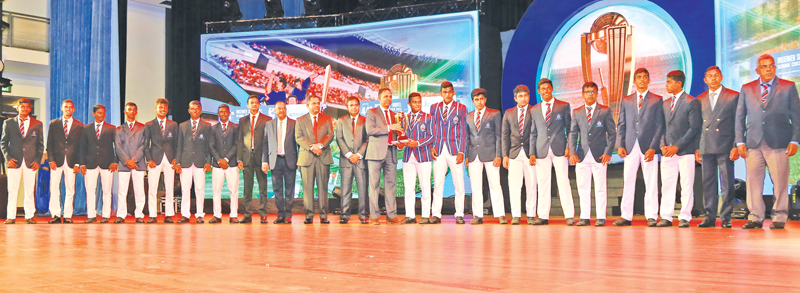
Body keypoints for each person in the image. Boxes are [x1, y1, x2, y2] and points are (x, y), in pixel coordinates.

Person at [735, 54, 800, 229]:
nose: (768, 69)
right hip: (753, 143)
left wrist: (795, 140)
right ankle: (755, 216)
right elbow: (740, 117)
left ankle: (779, 217)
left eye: (771, 65)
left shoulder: (788, 87)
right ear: (757, 70)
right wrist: (740, 142)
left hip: (779, 142)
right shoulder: (747, 88)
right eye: (764, 66)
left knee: (780, 182)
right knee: (754, 182)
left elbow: (797, 116)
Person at [614, 68, 664, 227]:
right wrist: (620, 145)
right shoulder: (627, 100)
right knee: (628, 180)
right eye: (639, 77)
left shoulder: (657, 99)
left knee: (651, 181)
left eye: (645, 77)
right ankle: (626, 216)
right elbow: (621, 124)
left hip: (648, 146)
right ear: (634, 81)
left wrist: (653, 147)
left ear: (649, 80)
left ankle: (651, 215)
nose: (642, 79)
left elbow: (659, 126)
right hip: (629, 145)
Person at [695, 66, 740, 228]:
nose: (713, 79)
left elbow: (739, 123)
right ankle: (709, 216)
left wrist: (736, 145)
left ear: (721, 77)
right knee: (708, 183)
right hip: (706, 145)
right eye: (709, 76)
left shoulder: (733, 96)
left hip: (726, 145)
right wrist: (697, 147)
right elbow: (697, 126)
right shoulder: (700, 99)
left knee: (727, 183)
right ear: (705, 80)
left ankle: (726, 217)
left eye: (716, 76)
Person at [657, 70, 701, 228]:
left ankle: (685, 216)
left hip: (685, 150)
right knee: (667, 184)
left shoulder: (691, 101)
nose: (666, 85)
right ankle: (666, 216)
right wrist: (662, 145)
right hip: (667, 151)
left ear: (679, 83)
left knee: (686, 183)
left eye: (669, 82)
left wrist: (677, 146)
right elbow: (661, 126)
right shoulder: (665, 103)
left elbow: (694, 128)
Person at [568, 82, 616, 226]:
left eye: (593, 92)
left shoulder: (605, 110)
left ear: (597, 94)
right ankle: (585, 217)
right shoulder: (576, 111)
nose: (590, 94)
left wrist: (608, 152)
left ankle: (601, 217)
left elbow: (612, 134)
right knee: (583, 187)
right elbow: (573, 133)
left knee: (600, 187)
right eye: (587, 92)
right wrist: (571, 152)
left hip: (600, 155)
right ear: (582, 94)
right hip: (581, 155)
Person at [529, 78, 575, 225]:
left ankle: (569, 216)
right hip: (541, 150)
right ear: (539, 91)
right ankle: (543, 216)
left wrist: (570, 146)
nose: (546, 91)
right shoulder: (534, 109)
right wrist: (531, 153)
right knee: (543, 183)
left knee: (563, 182)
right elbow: (533, 133)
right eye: (543, 89)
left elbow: (570, 129)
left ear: (552, 89)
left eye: (548, 88)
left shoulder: (563, 106)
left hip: (560, 149)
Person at [429, 81, 468, 224]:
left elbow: (464, 131)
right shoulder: (434, 108)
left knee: (459, 184)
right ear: (441, 93)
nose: (447, 94)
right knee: (438, 183)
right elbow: (432, 128)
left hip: (454, 150)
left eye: (449, 92)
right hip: (439, 149)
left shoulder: (461, 108)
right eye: (444, 92)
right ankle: (436, 214)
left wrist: (461, 151)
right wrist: (432, 146)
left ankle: (459, 214)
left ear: (453, 93)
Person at [365, 88, 405, 225]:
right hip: (375, 153)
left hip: (391, 152)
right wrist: (389, 127)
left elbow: (396, 134)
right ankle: (374, 216)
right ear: (379, 98)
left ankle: (391, 216)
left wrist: (400, 142)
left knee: (391, 185)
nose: (388, 98)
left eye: (390, 96)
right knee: (374, 185)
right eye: (385, 96)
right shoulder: (372, 112)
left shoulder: (395, 115)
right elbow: (370, 131)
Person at [2, 98, 44, 224]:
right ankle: (11, 216)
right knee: (12, 189)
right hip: (14, 161)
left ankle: (29, 216)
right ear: (17, 108)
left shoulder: (37, 123)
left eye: (28, 107)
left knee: (29, 190)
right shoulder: (8, 123)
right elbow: (3, 143)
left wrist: (38, 160)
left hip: (31, 162)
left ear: (30, 109)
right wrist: (8, 159)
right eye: (23, 106)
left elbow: (40, 145)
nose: (25, 109)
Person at [465, 88, 503, 225]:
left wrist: (499, 155)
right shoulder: (468, 116)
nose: (479, 102)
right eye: (476, 99)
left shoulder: (494, 114)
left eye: (481, 99)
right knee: (475, 186)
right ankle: (477, 215)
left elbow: (499, 136)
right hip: (474, 154)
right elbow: (467, 138)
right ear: (473, 101)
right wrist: (466, 156)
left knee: (495, 185)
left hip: (491, 154)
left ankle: (500, 214)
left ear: (485, 100)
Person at [295, 95, 334, 224]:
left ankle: (323, 216)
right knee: (308, 188)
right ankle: (309, 215)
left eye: (318, 103)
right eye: (314, 103)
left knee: (323, 188)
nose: (317, 106)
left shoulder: (327, 119)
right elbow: (299, 137)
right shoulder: (300, 120)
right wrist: (313, 147)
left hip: (323, 157)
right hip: (307, 158)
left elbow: (330, 135)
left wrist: (320, 145)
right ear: (308, 105)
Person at [501, 85, 537, 225]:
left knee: (532, 185)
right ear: (515, 98)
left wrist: (534, 152)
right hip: (514, 153)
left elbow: (537, 134)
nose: (523, 98)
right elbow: (504, 135)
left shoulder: (535, 111)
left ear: (529, 97)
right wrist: (504, 155)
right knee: (514, 186)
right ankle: (516, 215)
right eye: (520, 96)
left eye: (525, 96)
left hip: (531, 154)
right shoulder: (508, 113)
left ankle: (531, 215)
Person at [175, 101, 214, 224]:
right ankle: (185, 214)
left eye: (197, 109)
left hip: (200, 162)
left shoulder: (207, 126)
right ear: (189, 110)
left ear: (200, 111)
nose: (195, 111)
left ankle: (199, 215)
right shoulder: (182, 126)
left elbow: (209, 146)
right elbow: (179, 145)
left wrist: (208, 161)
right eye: (192, 109)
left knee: (199, 189)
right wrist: (178, 162)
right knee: (185, 189)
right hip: (185, 161)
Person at [46, 99, 83, 224]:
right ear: (61, 108)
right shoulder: (53, 123)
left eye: (70, 107)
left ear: (73, 109)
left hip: (72, 162)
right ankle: (55, 215)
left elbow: (80, 147)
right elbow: (49, 143)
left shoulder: (79, 126)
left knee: (70, 188)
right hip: (56, 161)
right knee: (54, 187)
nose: (68, 109)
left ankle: (67, 215)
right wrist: (50, 159)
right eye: (65, 107)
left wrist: (78, 163)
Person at [79, 105, 118, 223]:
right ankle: (91, 215)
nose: (102, 115)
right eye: (99, 113)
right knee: (90, 189)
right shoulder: (86, 128)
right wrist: (82, 164)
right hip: (90, 163)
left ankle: (106, 215)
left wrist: (115, 161)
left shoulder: (111, 128)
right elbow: (82, 147)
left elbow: (117, 146)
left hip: (107, 163)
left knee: (107, 190)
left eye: (103, 113)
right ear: (93, 114)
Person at [401, 93, 435, 224]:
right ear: (409, 104)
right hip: (408, 156)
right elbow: (402, 136)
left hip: (423, 156)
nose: (417, 104)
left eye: (419, 102)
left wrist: (418, 143)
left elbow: (432, 136)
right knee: (409, 187)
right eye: (414, 102)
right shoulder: (404, 119)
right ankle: (410, 215)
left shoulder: (428, 117)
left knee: (425, 186)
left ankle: (425, 215)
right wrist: (401, 143)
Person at [237, 95, 271, 223]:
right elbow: (240, 140)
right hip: (246, 158)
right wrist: (239, 158)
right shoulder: (243, 120)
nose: (254, 105)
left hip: (261, 158)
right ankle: (247, 214)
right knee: (247, 187)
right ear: (247, 105)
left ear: (259, 105)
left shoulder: (267, 119)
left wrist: (265, 160)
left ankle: (263, 213)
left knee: (263, 187)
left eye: (256, 103)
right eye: (252, 103)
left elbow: (268, 141)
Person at [144, 98, 179, 223]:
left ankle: (169, 214)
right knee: (152, 188)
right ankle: (152, 215)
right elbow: (145, 145)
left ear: (167, 109)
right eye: (160, 108)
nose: (162, 110)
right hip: (154, 159)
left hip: (170, 159)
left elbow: (177, 143)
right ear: (155, 109)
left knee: (169, 188)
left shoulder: (173, 124)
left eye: (164, 108)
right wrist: (149, 160)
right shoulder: (149, 125)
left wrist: (176, 158)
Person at [262, 101, 298, 224]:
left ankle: (288, 214)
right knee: (277, 189)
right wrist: (264, 161)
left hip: (290, 160)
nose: (281, 110)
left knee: (289, 189)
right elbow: (265, 143)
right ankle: (280, 214)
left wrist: (300, 160)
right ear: (275, 110)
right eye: (279, 109)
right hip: (274, 160)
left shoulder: (294, 123)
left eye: (283, 108)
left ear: (286, 109)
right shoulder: (269, 124)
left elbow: (298, 143)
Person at [335, 97, 369, 224]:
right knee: (345, 190)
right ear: (347, 107)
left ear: (359, 106)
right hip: (346, 160)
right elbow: (339, 138)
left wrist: (359, 154)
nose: (354, 107)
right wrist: (349, 154)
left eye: (356, 105)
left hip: (361, 161)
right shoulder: (341, 120)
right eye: (351, 105)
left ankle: (364, 215)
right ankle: (344, 215)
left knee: (363, 189)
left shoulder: (366, 121)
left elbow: (368, 139)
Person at [114, 102, 147, 223]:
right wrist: (127, 160)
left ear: (136, 112)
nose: (132, 112)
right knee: (122, 190)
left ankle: (139, 214)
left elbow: (144, 145)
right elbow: (118, 147)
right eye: (129, 110)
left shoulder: (143, 127)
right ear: (125, 112)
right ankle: (121, 215)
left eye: (134, 110)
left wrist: (134, 159)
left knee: (139, 190)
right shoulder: (119, 129)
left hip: (138, 163)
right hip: (124, 163)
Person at [210, 104, 239, 224]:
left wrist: (226, 159)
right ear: (218, 114)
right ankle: (217, 215)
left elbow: (237, 145)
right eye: (221, 112)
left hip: (231, 164)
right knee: (216, 191)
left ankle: (233, 215)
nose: (223, 114)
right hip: (217, 165)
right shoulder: (213, 128)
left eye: (226, 112)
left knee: (234, 190)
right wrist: (219, 160)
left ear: (229, 113)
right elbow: (211, 146)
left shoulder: (236, 127)